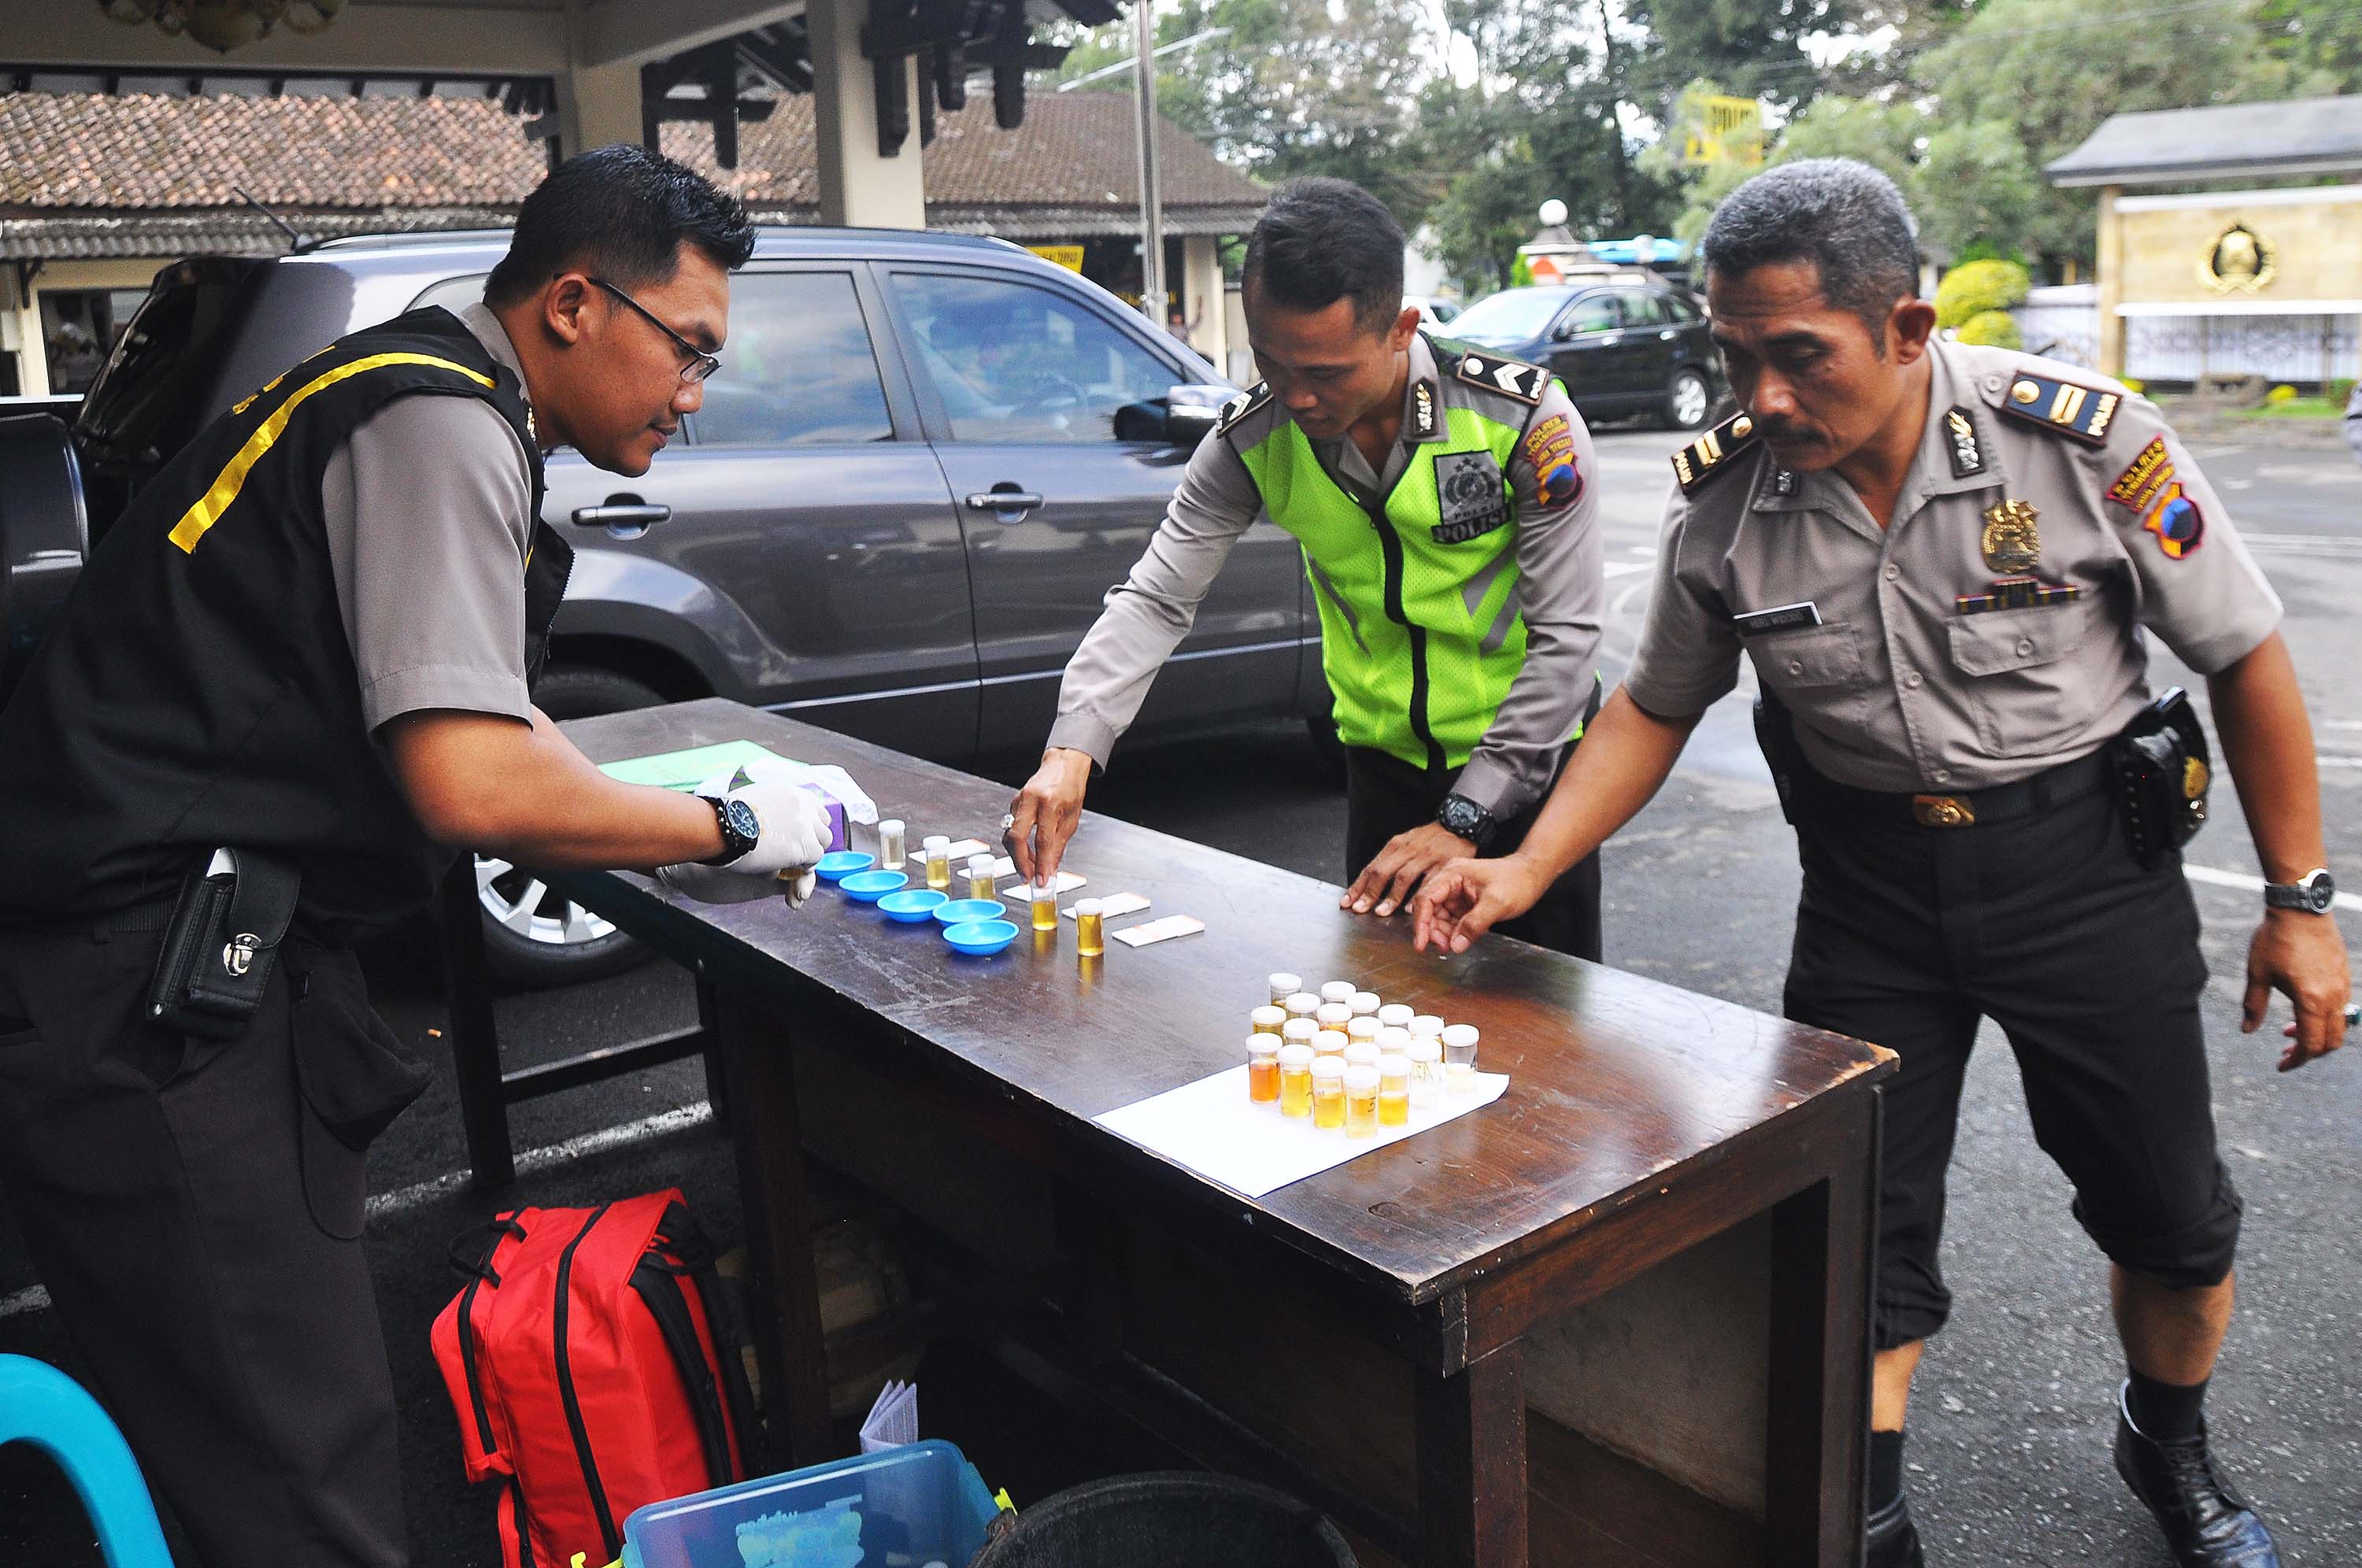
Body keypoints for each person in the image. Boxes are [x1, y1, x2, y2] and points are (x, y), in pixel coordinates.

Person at [1411, 160, 2350, 1568]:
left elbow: (2244, 655)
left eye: (1800, 358)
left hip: (2085, 869)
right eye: (1737, 359)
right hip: (1868, 896)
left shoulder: (2085, 447)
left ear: (1907, 330)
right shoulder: (1731, 499)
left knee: (2170, 1215)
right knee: (1854, 1231)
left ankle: (2170, 1439)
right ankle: (1869, 1512)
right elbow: (1658, 702)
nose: (1764, 398)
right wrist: (1528, 861)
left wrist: (2300, 903)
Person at [0, 146, 833, 1567]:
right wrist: (736, 829)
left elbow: (491, 730)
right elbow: (470, 777)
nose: (694, 396)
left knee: (225, 1424)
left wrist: (661, 814)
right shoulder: (439, 421)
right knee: (293, 1456)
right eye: (687, 350)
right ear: (575, 303)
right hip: (138, 985)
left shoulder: (392, 379)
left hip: (123, 945)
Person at [1005, 177, 1608, 956]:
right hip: (1381, 773)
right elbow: (1156, 597)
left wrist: (1469, 816)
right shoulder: (1250, 441)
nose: (1296, 398)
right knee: (1386, 1029)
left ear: (1400, 328)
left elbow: (1567, 642)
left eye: (1325, 374)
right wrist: (1070, 752)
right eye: (1271, 363)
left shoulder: (1520, 420)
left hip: (1530, 776)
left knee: (1552, 1045)